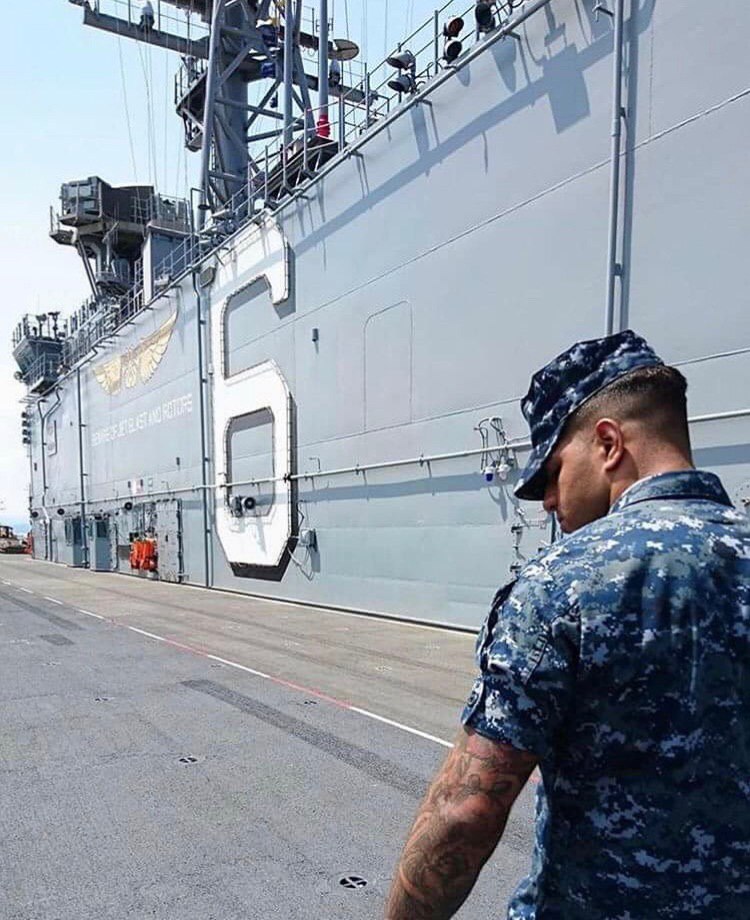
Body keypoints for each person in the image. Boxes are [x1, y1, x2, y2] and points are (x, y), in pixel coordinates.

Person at [385, 330, 750, 919]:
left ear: (608, 443)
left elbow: (464, 813)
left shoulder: (562, 584)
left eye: (552, 473)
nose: (549, 502)